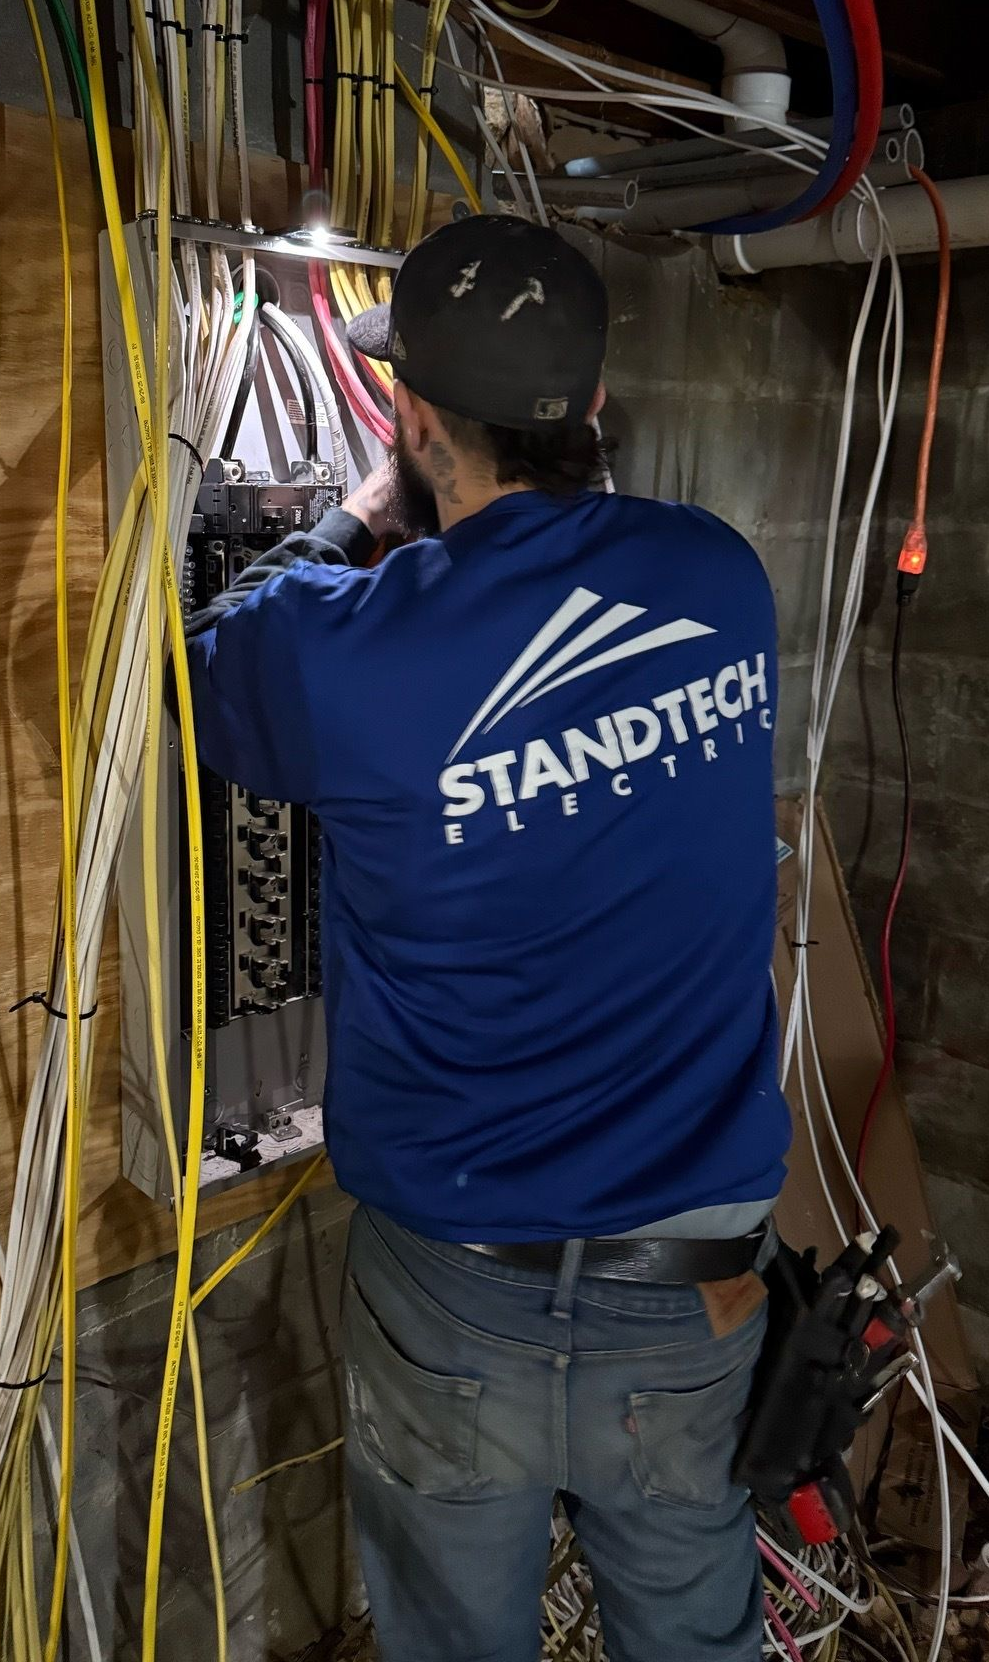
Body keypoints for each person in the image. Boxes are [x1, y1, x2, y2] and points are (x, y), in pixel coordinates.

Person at [186, 214, 790, 1662]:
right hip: (696, 1279)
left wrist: (352, 522)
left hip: (458, 1281)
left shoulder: (346, 651)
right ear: (593, 404)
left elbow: (213, 656)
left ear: (409, 418)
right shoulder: (721, 578)